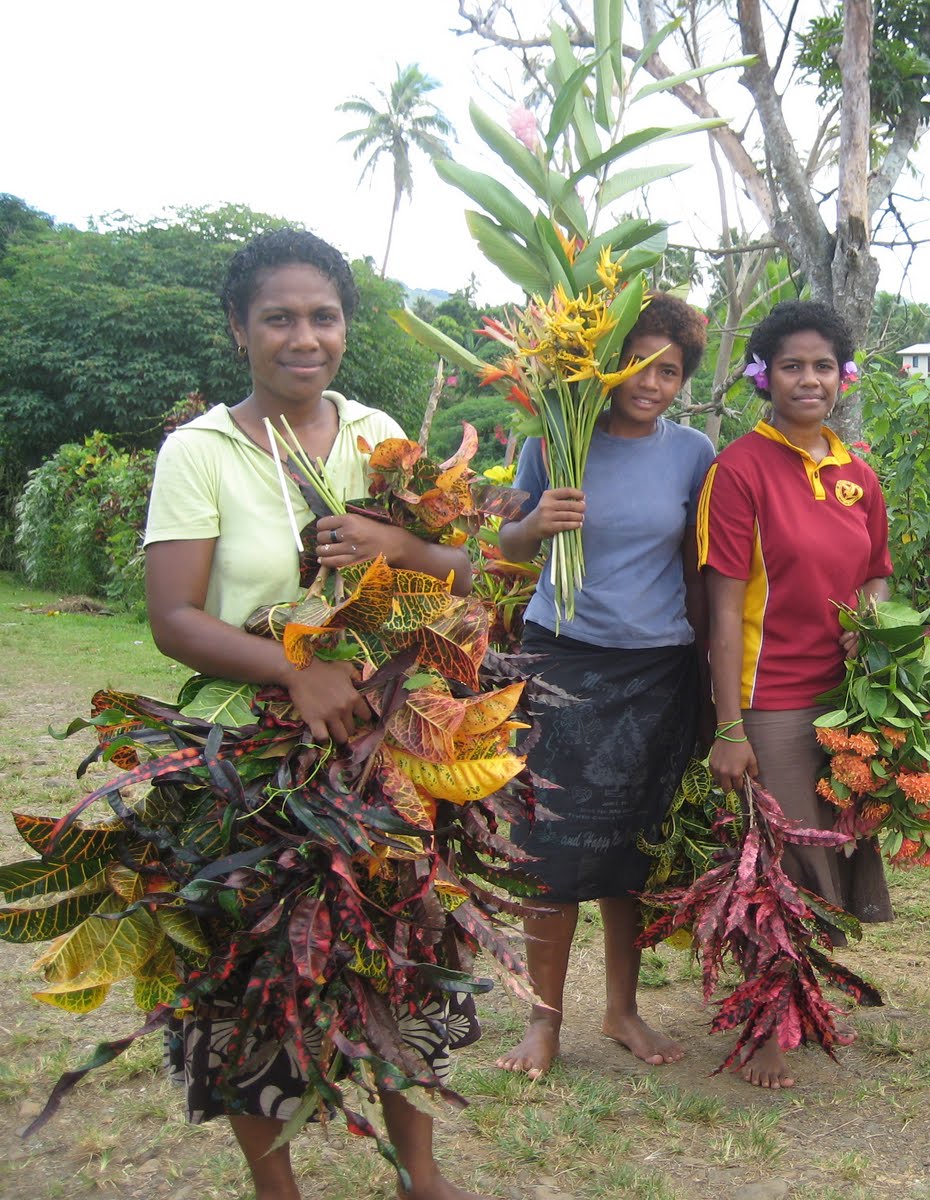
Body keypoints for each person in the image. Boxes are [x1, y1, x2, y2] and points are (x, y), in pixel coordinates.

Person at [144, 228, 485, 1200]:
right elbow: (173, 617)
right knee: (255, 981)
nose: (305, 336)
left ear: (346, 326)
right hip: (255, 764)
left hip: (386, 751)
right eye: (279, 317)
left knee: (408, 956)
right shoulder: (199, 452)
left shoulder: (383, 434)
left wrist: (402, 545)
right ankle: (277, 1190)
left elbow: (464, 574)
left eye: (323, 316)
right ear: (238, 329)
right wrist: (294, 671)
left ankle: (421, 1175)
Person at [493, 293, 714, 1081]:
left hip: (658, 668)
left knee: (635, 847)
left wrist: (713, 674)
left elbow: (698, 567)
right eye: (639, 364)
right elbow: (508, 551)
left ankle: (622, 1010)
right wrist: (534, 525)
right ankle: (543, 1021)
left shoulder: (693, 452)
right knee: (549, 847)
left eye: (670, 371)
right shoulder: (554, 440)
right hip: (561, 658)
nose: (652, 383)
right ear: (606, 365)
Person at [698, 299, 894, 1089]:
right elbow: (719, 607)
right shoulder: (740, 469)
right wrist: (726, 728)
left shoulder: (857, 472)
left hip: (845, 700)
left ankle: (797, 997)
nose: (808, 379)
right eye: (791, 366)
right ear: (764, 376)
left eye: (822, 365)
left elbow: (876, 572)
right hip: (768, 696)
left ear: (842, 376)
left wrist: (874, 630)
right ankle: (765, 1024)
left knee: (833, 848)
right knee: (774, 864)